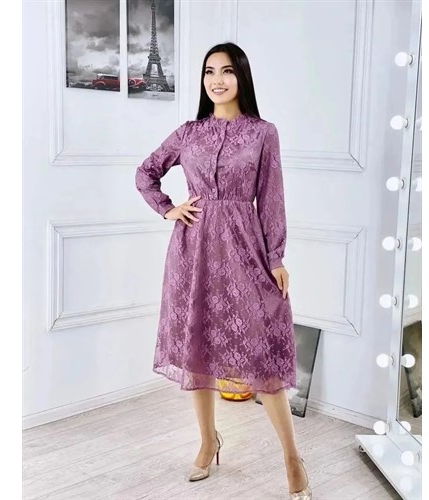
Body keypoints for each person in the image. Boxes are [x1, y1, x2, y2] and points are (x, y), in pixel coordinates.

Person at [135, 42, 312, 500]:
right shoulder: (189, 132)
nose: (217, 80)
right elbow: (145, 173)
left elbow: (271, 199)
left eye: (227, 71)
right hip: (192, 253)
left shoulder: (263, 133)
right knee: (197, 348)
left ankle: (292, 458)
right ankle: (208, 441)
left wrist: (276, 257)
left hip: (244, 249)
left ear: (242, 77)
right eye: (210, 71)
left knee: (263, 352)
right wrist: (169, 208)